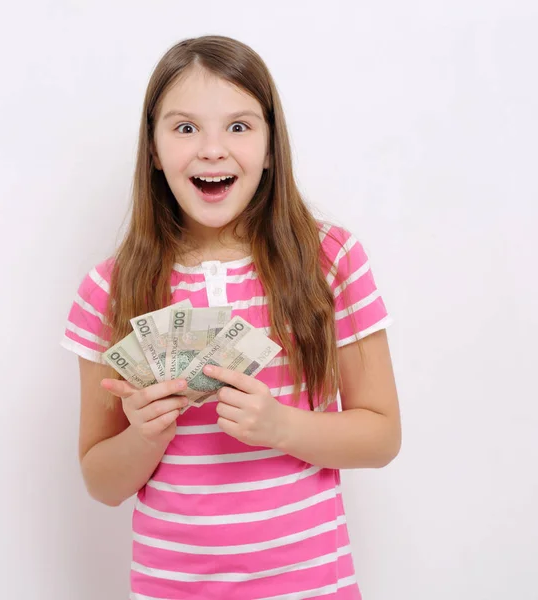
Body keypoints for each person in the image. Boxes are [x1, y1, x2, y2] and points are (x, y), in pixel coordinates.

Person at [61, 34, 401, 600]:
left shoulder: (330, 262)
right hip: (170, 588)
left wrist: (281, 427)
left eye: (239, 126)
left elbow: (382, 436)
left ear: (271, 146)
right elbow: (101, 481)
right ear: (153, 147)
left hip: (311, 586)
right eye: (185, 127)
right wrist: (144, 436)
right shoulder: (109, 290)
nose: (212, 149)